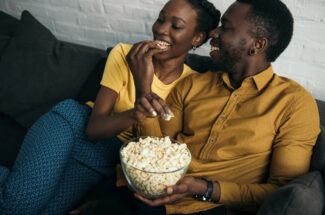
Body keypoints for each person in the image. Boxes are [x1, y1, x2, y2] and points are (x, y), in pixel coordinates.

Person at [0, 0, 220, 215]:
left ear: (197, 37)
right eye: (160, 20)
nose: (161, 30)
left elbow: (160, 152)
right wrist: (137, 108)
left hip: (107, 159)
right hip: (73, 126)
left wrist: (143, 86)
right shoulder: (125, 54)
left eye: (176, 26)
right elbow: (93, 128)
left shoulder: (194, 85)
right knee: (17, 205)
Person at [130, 0, 321, 214]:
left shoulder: (293, 103)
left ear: (257, 45)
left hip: (210, 209)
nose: (213, 33)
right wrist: (144, 92)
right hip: (151, 194)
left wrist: (206, 189)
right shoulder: (192, 84)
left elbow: (282, 190)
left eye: (226, 27)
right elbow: (156, 151)